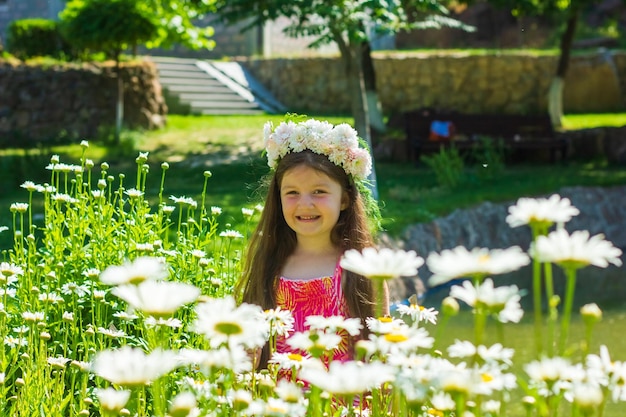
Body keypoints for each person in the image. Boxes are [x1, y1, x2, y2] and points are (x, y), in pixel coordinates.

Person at [235, 117, 389, 369]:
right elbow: (247, 351)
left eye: (319, 192)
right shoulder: (269, 264)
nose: (305, 204)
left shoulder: (364, 268)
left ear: (344, 200)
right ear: (279, 197)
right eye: (292, 192)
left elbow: (384, 352)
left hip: (344, 403)